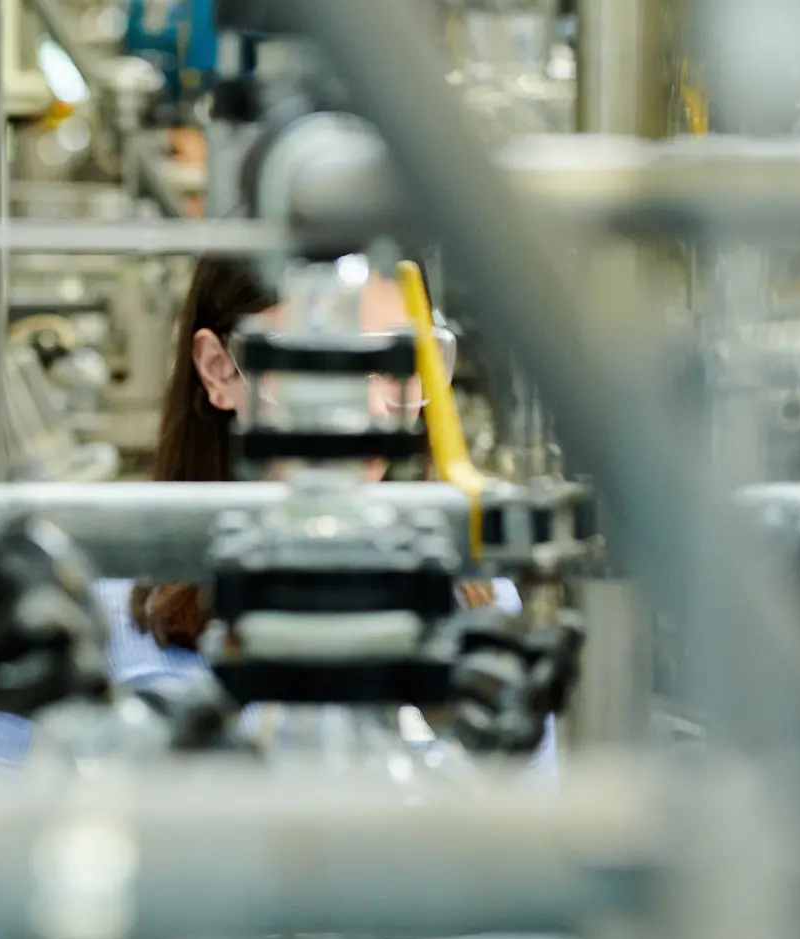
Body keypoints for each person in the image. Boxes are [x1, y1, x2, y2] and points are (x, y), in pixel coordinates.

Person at [109, 254, 559, 781]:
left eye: (395, 362)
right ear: (219, 370)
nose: (366, 407)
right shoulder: (105, 620)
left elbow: (534, 844)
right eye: (318, 366)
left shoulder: (477, 602)